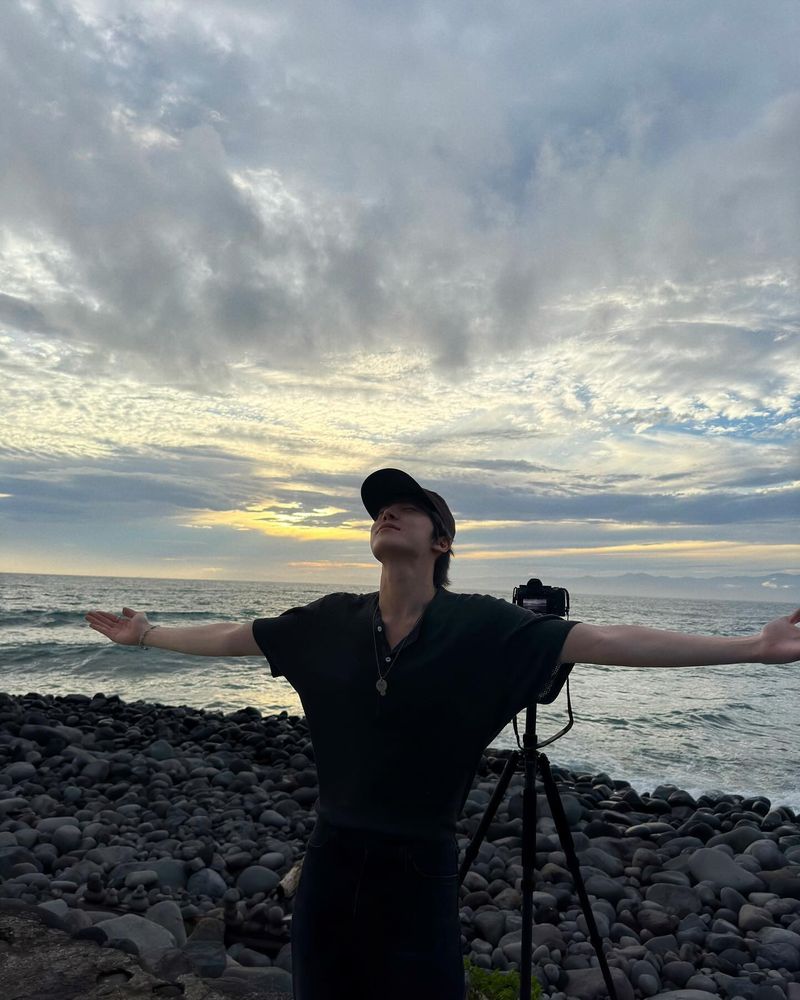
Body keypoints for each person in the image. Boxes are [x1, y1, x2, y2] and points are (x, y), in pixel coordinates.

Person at [86, 467, 800, 1000]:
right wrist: (147, 634)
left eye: (408, 508)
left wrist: (752, 647)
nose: (387, 513)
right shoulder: (329, 621)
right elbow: (235, 635)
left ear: (442, 540)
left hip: (420, 864)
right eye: (380, 508)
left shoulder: (483, 626)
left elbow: (607, 639)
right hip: (330, 856)